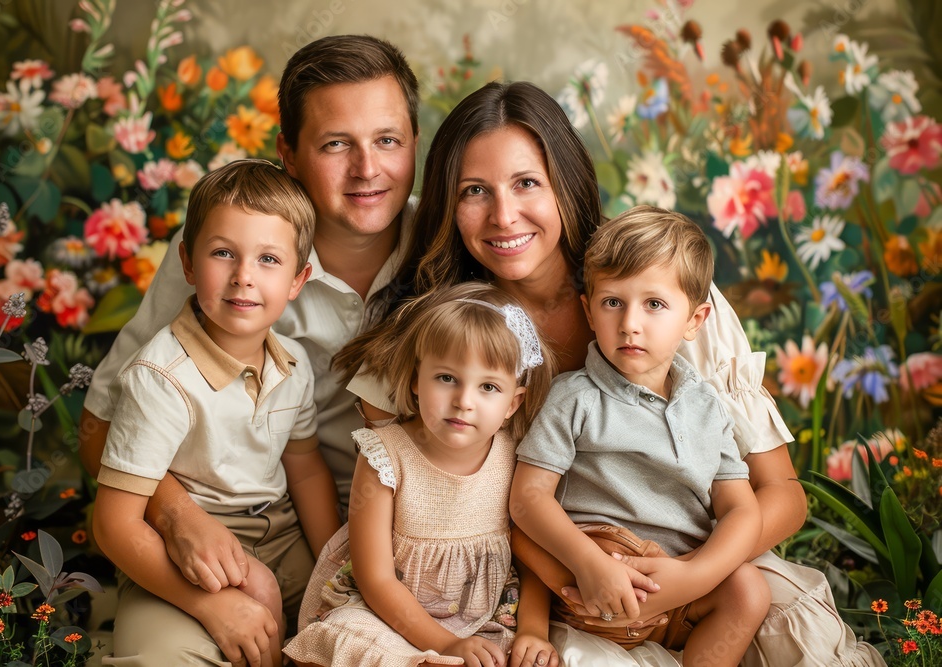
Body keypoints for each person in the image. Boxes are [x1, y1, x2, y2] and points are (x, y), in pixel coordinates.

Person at [338, 81, 885, 667]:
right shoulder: (442, 334)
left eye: (527, 183)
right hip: (542, 578)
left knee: (785, 625)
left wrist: (685, 575)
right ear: (448, 203)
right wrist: (580, 573)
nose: (503, 215)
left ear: (566, 186)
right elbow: (425, 498)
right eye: (475, 191)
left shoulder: (662, 289)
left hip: (699, 563)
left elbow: (780, 495)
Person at [78, 34, 420, 660]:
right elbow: (100, 426)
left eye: (388, 140)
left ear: (415, 144)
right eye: (336, 143)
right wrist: (180, 517)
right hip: (223, 533)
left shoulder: (450, 242)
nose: (367, 169)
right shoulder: (225, 249)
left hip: (385, 547)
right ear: (288, 154)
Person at [92, 159, 330, 667]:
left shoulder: (295, 363)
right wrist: (213, 605)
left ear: (297, 279)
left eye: (269, 259)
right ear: (188, 263)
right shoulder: (160, 376)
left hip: (285, 545)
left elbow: (305, 468)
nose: (244, 277)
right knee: (163, 656)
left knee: (359, 634)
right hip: (179, 560)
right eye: (224, 253)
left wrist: (335, 562)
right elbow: (115, 526)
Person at [511, 206, 771, 666]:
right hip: (587, 585)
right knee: (535, 538)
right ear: (589, 311)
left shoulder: (707, 406)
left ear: (695, 319)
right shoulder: (575, 397)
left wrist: (695, 578)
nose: (630, 322)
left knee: (749, 590)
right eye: (613, 302)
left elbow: (741, 510)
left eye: (654, 304)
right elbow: (528, 498)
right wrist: (590, 566)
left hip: (676, 589)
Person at [285, 283, 564, 667]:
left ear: (511, 404)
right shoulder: (385, 455)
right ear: (417, 381)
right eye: (446, 378)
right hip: (384, 612)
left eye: (488, 387)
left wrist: (533, 628)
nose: (464, 401)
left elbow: (531, 553)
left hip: (481, 618)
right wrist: (444, 643)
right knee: (351, 637)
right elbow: (375, 579)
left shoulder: (515, 453)